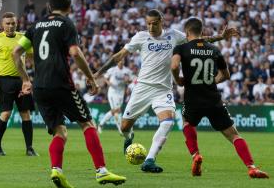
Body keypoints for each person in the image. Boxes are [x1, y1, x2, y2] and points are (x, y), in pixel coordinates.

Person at [95, 9, 239, 173]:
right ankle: (129, 138)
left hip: (163, 89)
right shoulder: (140, 37)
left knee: (168, 121)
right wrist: (97, 73)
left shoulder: (174, 35)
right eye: (148, 23)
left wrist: (220, 37)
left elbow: (196, 40)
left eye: (154, 23)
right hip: (142, 87)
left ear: (161, 21)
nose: (151, 27)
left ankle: (149, 159)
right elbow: (118, 56)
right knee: (124, 127)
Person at [13, 0, 126, 188]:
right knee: (87, 124)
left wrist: (25, 79)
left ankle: (56, 170)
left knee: (60, 132)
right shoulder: (66, 24)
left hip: (40, 87)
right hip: (61, 84)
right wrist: (91, 78)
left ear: (49, 7)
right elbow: (75, 52)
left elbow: (16, 52)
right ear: (69, 7)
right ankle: (101, 171)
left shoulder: (35, 25)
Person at [171, 17, 269, 178]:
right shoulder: (214, 49)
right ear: (202, 31)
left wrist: (178, 80)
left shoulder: (181, 48)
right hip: (213, 99)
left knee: (187, 123)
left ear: (187, 32)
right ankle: (251, 167)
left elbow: (174, 66)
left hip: (192, 98)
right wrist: (210, 81)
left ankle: (196, 155)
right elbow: (226, 75)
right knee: (234, 135)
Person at [0, 12, 38, 156]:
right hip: (4, 80)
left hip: (22, 81)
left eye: (13, 23)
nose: (10, 26)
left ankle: (29, 148)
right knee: (6, 113)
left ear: (17, 24)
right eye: (7, 23)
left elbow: (32, 57)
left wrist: (35, 76)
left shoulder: (23, 38)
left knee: (25, 114)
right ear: (2, 25)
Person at [97, 60, 132, 135]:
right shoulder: (112, 69)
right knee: (117, 110)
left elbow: (130, 80)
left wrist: (127, 81)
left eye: (122, 60)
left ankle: (100, 125)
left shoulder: (127, 71)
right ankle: (120, 130)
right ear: (117, 62)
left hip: (121, 93)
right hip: (112, 92)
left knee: (115, 111)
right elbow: (105, 77)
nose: (121, 62)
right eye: (120, 61)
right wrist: (108, 82)